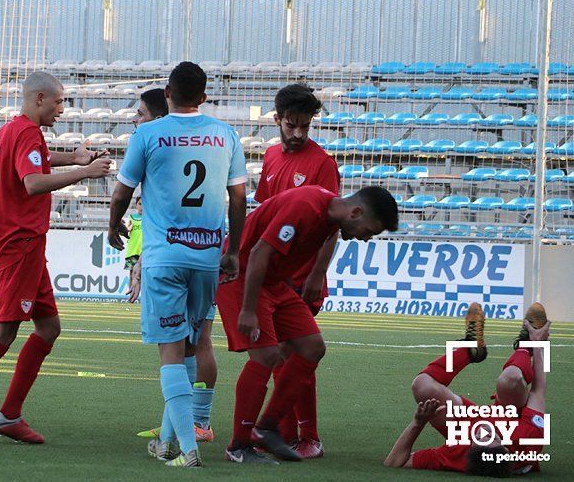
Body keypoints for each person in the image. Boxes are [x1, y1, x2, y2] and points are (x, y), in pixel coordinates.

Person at [0, 71, 112, 447]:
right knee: (5, 328)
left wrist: (74, 158)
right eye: (59, 101)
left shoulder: (13, 130)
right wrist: (84, 171)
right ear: (39, 100)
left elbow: (36, 160)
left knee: (49, 328)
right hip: (19, 243)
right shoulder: (28, 133)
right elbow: (32, 181)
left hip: (24, 242)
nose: (63, 109)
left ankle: (9, 414)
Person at [109, 62, 248, 468]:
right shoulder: (225, 135)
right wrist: (233, 250)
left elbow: (122, 192)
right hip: (207, 259)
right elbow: (238, 200)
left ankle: (187, 451)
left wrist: (113, 223)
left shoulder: (148, 134)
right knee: (190, 345)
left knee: (171, 351)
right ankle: (169, 442)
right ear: (203, 97)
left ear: (167, 92)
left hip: (164, 257)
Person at [218, 185, 398, 464]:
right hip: (243, 274)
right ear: (356, 212)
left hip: (274, 282)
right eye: (370, 231)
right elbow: (257, 253)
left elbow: (284, 255)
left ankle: (267, 427)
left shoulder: (330, 220)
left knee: (312, 347)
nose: (365, 239)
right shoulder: (306, 206)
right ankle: (238, 446)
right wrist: (249, 309)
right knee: (266, 355)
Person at [252, 83, 340, 459]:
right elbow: (263, 213)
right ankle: (287, 434)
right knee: (280, 356)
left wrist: (316, 275)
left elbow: (331, 225)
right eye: (292, 125)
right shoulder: (271, 157)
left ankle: (307, 436)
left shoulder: (322, 164)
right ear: (277, 120)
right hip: (272, 276)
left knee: (296, 353)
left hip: (302, 279)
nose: (299, 133)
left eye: (305, 126)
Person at [129, 88, 218, 443]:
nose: (136, 120)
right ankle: (183, 425)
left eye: (140, 114)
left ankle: (195, 425)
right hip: (205, 252)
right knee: (193, 340)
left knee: (191, 342)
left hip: (173, 257)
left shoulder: (156, 142)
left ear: (158, 115)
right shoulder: (196, 144)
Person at [384, 302, 549, 476]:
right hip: (510, 414)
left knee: (421, 386)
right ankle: (526, 345)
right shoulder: (528, 441)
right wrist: (539, 345)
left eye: (480, 437)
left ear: (470, 447)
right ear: (506, 451)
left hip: (465, 427)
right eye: (492, 436)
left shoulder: (458, 453)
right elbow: (538, 390)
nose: (485, 429)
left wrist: (418, 423)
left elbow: (393, 462)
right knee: (510, 380)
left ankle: (470, 349)